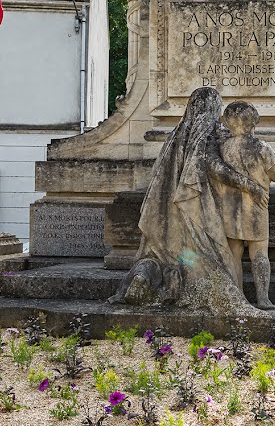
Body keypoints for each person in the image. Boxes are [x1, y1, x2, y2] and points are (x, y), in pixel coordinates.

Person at [114, 87, 266, 309]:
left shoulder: (177, 134)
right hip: (194, 209)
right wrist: (249, 184)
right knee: (212, 257)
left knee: (161, 257)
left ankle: (145, 276)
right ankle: (188, 285)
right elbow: (216, 167)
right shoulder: (207, 133)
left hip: (166, 215)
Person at [216, 100, 275, 309]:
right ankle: (263, 298)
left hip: (230, 208)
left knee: (234, 252)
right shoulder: (261, 147)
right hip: (256, 207)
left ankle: (238, 297)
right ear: (254, 122)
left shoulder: (224, 147)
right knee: (259, 254)